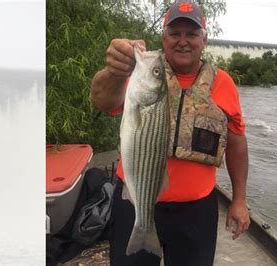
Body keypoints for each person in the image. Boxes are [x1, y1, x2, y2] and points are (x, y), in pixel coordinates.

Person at [91, 1, 250, 265]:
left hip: (196, 212)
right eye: (175, 33)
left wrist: (239, 200)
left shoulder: (224, 83)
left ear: (205, 39)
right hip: (135, 199)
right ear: (163, 37)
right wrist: (114, 71)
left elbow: (236, 145)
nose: (183, 41)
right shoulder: (143, 71)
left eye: (192, 33)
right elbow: (101, 100)